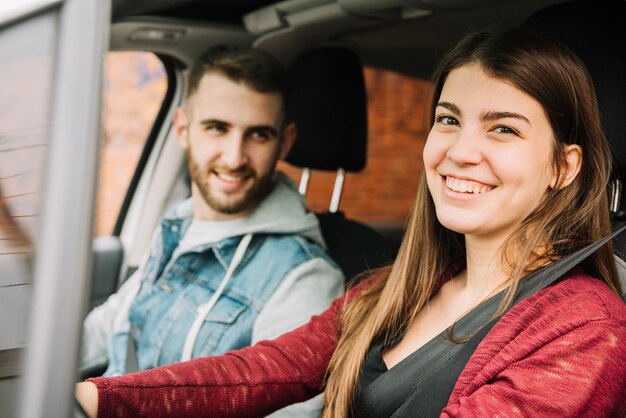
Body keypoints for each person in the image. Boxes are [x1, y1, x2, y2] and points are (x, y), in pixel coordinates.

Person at [76, 28, 626, 417]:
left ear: (562, 166)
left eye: (502, 129)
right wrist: (100, 398)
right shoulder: (392, 290)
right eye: (448, 120)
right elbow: (265, 370)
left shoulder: (586, 330)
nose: (460, 151)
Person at [79, 45, 344, 417]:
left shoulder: (303, 277)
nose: (235, 158)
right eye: (218, 128)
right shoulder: (179, 225)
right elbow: (111, 324)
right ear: (184, 129)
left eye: (259, 135)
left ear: (284, 141)